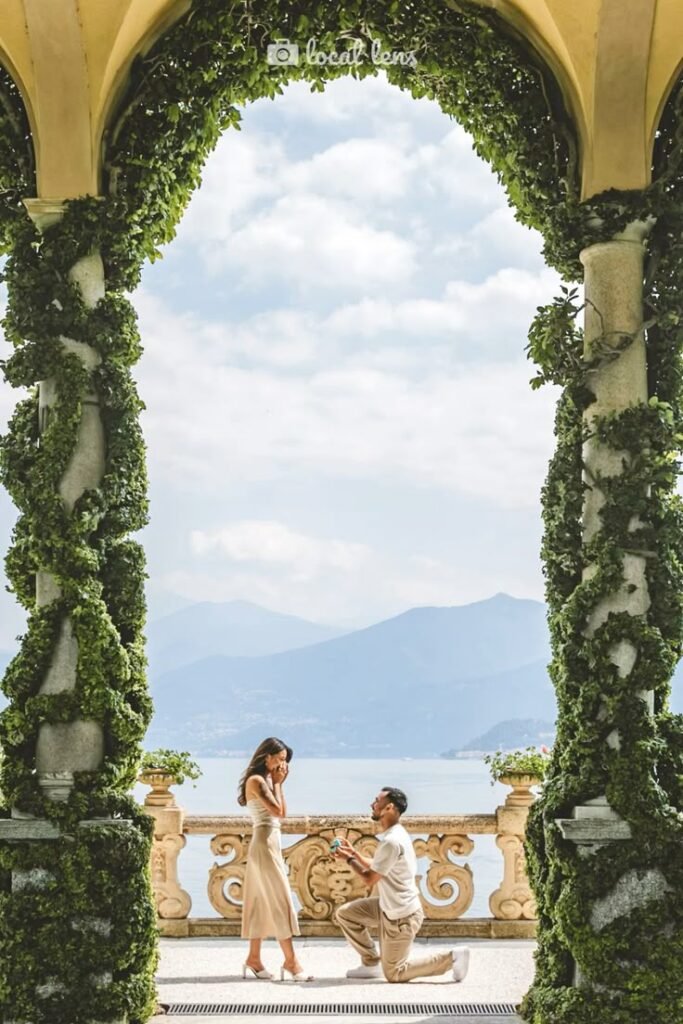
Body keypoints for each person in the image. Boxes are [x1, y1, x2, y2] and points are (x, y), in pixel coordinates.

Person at [332, 786, 470, 984]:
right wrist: (353, 853)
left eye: (376, 801)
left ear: (389, 808)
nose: (372, 804)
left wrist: (347, 859)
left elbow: (370, 878)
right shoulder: (395, 834)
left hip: (401, 916)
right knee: (346, 914)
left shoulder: (391, 841)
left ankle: (453, 957)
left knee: (395, 973)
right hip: (387, 907)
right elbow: (379, 867)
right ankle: (371, 963)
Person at [238, 737, 313, 982]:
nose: (283, 764)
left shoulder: (268, 780)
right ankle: (291, 962)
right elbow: (278, 812)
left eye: (285, 760)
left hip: (270, 841)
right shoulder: (257, 780)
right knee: (281, 900)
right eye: (280, 758)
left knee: (260, 901)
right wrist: (280, 784)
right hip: (264, 843)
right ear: (266, 756)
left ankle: (254, 958)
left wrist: (279, 783)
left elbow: (282, 814)